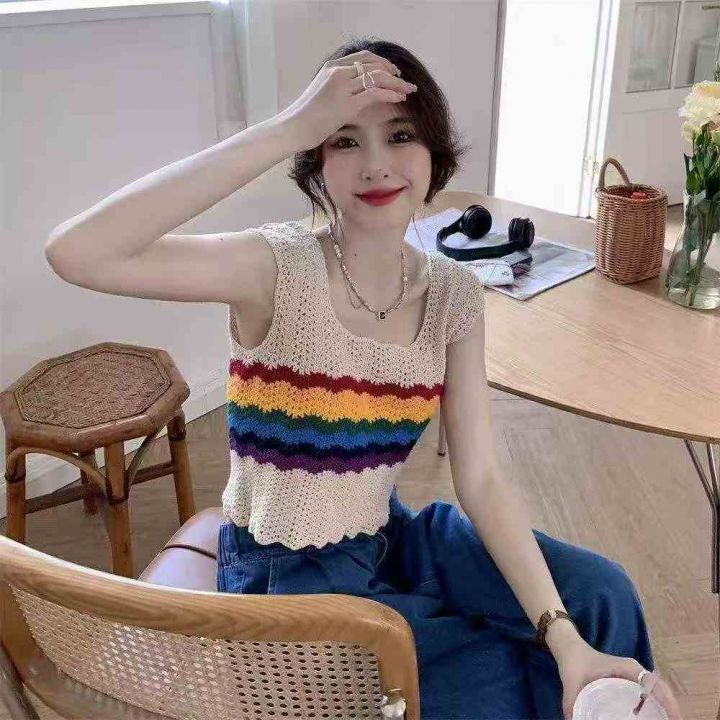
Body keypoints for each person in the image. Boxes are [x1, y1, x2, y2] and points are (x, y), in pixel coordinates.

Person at [45, 34, 684, 720]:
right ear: (316, 164)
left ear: (434, 153)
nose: (376, 164)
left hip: (391, 539)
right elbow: (79, 252)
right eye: (344, 140)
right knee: (504, 682)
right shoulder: (273, 269)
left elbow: (480, 479)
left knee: (599, 597)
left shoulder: (452, 295)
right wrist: (291, 125)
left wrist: (564, 638)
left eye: (400, 135)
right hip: (287, 583)